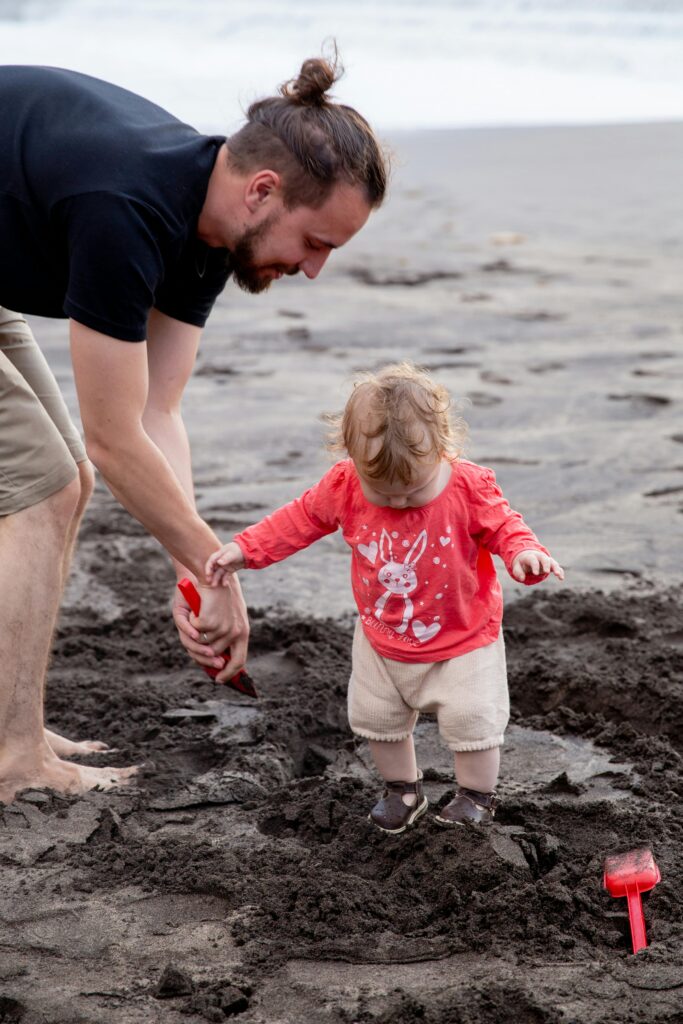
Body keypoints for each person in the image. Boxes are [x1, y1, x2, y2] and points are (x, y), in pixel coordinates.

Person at [0, 55, 388, 803]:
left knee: (64, 480)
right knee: (42, 489)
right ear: (263, 191)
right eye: (315, 243)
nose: (312, 270)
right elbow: (112, 437)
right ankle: (15, 755)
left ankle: (11, 722)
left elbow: (156, 414)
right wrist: (218, 567)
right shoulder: (126, 205)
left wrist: (198, 574)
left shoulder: (211, 235)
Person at [206, 362, 564, 834]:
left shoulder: (468, 486)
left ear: (443, 449)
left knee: (473, 719)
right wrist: (245, 549)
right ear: (350, 457)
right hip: (381, 635)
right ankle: (403, 790)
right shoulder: (344, 485)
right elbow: (299, 520)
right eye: (383, 493)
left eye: (412, 491)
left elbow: (506, 526)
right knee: (377, 716)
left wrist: (526, 554)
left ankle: (475, 796)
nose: (397, 503)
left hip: (464, 637)